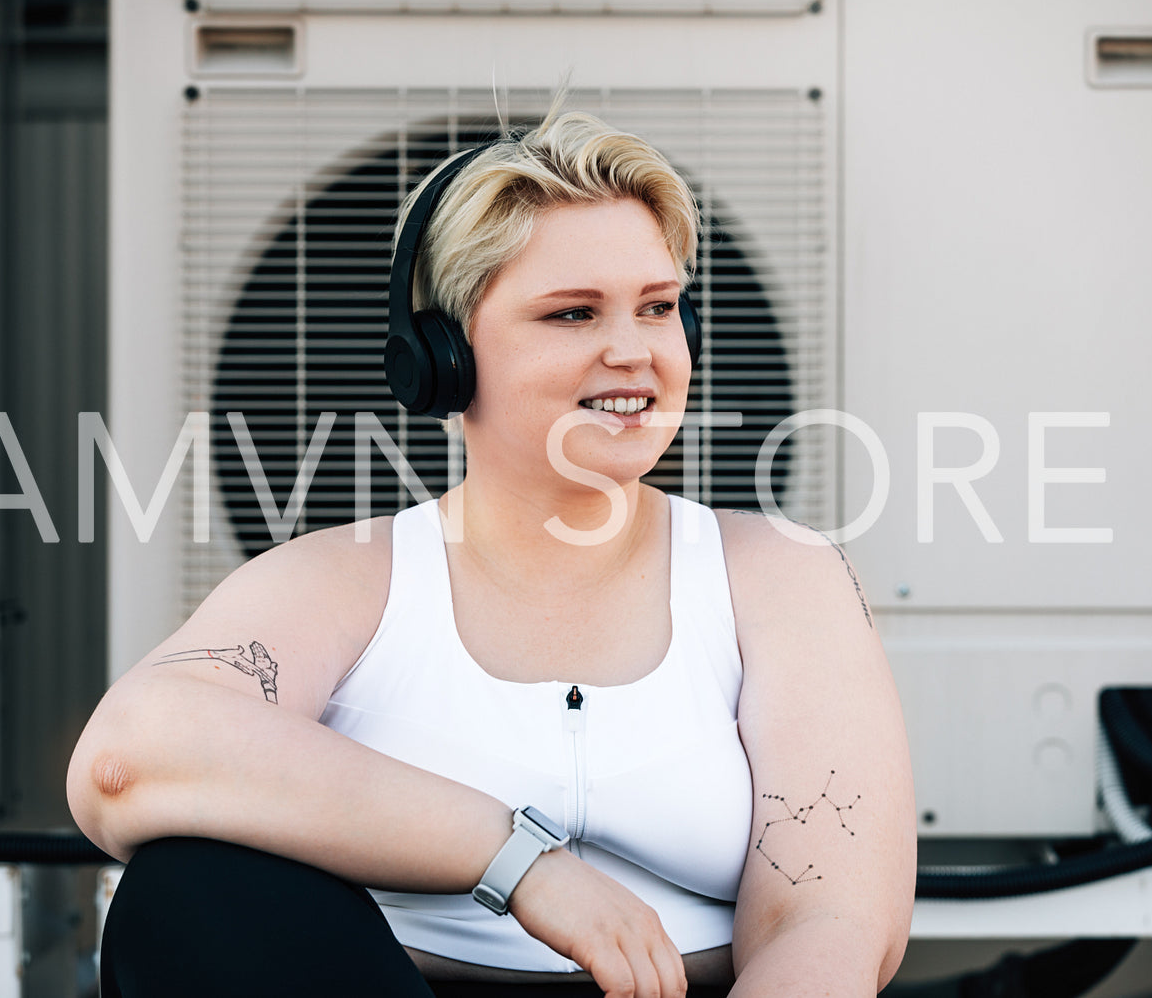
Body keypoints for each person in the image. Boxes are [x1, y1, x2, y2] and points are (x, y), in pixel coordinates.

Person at [67, 104, 916, 998]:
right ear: (443, 354)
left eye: (657, 308)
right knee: (191, 885)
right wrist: (520, 863)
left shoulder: (784, 576)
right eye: (572, 313)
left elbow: (827, 919)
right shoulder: (342, 579)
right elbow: (129, 760)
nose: (632, 352)